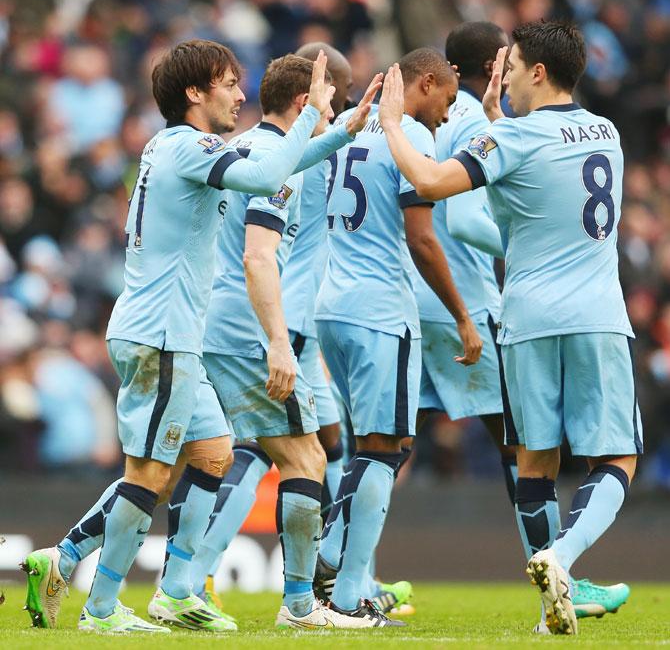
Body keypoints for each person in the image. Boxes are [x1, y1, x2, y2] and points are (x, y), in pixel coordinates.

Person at [20, 39, 360, 634]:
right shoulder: (193, 148)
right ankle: (100, 608)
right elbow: (264, 174)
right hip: (163, 336)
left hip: (169, 335)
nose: (238, 95)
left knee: (212, 452)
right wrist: (312, 115)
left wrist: (341, 129)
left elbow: (275, 166)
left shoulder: (169, 147)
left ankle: (155, 586)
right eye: (227, 84)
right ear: (194, 93)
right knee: (149, 474)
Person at [379, 22, 640, 636]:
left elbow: (432, 183)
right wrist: (500, 121)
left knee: (534, 462)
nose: (507, 78)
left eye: (514, 67)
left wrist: (394, 125)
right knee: (618, 457)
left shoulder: (514, 139)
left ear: (539, 73)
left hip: (524, 319)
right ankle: (565, 563)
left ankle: (558, 578)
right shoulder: (608, 133)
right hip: (597, 314)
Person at [194, 53, 383, 629]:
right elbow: (259, 255)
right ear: (307, 103)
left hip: (221, 320)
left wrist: (345, 129)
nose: (338, 108)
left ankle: (78, 557)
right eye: (331, 99)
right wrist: (280, 340)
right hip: (262, 326)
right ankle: (303, 601)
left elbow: (292, 156)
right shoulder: (279, 168)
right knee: (304, 454)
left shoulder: (248, 150)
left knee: (176, 459)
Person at [313, 47, 482, 626]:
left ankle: (330, 562)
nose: (445, 115)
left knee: (378, 449)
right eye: (447, 101)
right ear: (427, 83)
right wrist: (461, 314)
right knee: (385, 451)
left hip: (331, 306)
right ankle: (345, 590)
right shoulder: (408, 137)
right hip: (381, 309)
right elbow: (423, 239)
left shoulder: (346, 124)